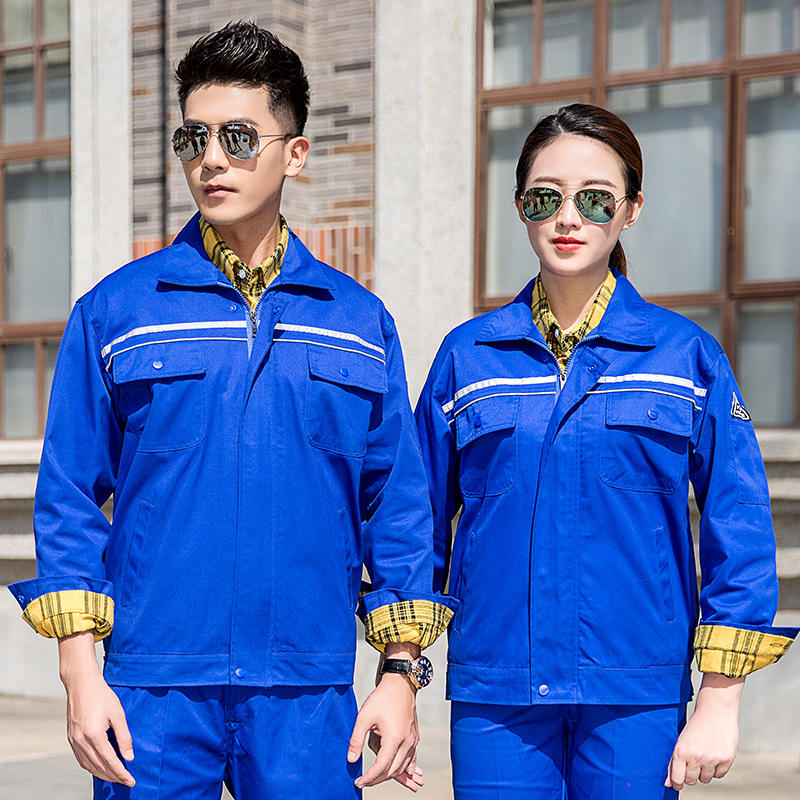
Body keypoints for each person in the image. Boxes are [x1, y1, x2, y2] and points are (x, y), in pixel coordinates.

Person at [8, 21, 455, 799]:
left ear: (295, 152)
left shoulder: (357, 322)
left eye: (239, 137)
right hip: (151, 687)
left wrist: (399, 676)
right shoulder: (117, 311)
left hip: (307, 691)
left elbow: (398, 510)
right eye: (194, 137)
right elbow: (69, 496)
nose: (211, 158)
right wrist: (80, 673)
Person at [414, 103, 797, 799]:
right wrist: (398, 670)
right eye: (546, 197)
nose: (568, 218)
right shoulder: (469, 357)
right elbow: (416, 522)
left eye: (595, 199)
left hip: (636, 692)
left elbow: (738, 523)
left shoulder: (684, 356)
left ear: (631, 209)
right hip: (498, 691)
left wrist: (720, 698)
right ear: (521, 207)